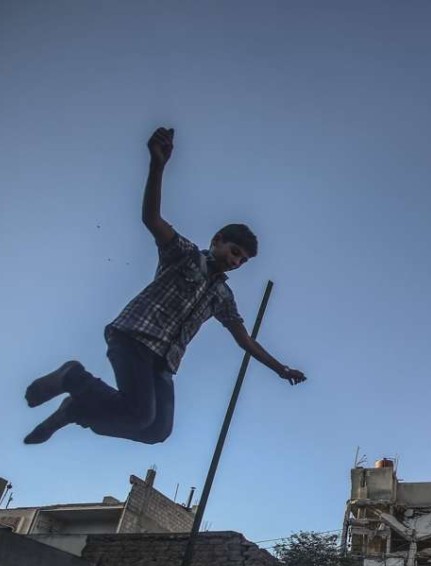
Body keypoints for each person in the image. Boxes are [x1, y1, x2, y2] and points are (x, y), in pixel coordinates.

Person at [24, 127, 306, 446]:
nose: (235, 261)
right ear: (217, 240)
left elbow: (245, 340)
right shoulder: (183, 254)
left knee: (157, 430)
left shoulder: (222, 295)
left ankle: (75, 411)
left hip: (164, 363)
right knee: (140, 415)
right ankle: (73, 377)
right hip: (135, 338)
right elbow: (152, 218)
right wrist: (157, 166)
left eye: (242, 261)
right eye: (234, 252)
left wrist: (280, 369)